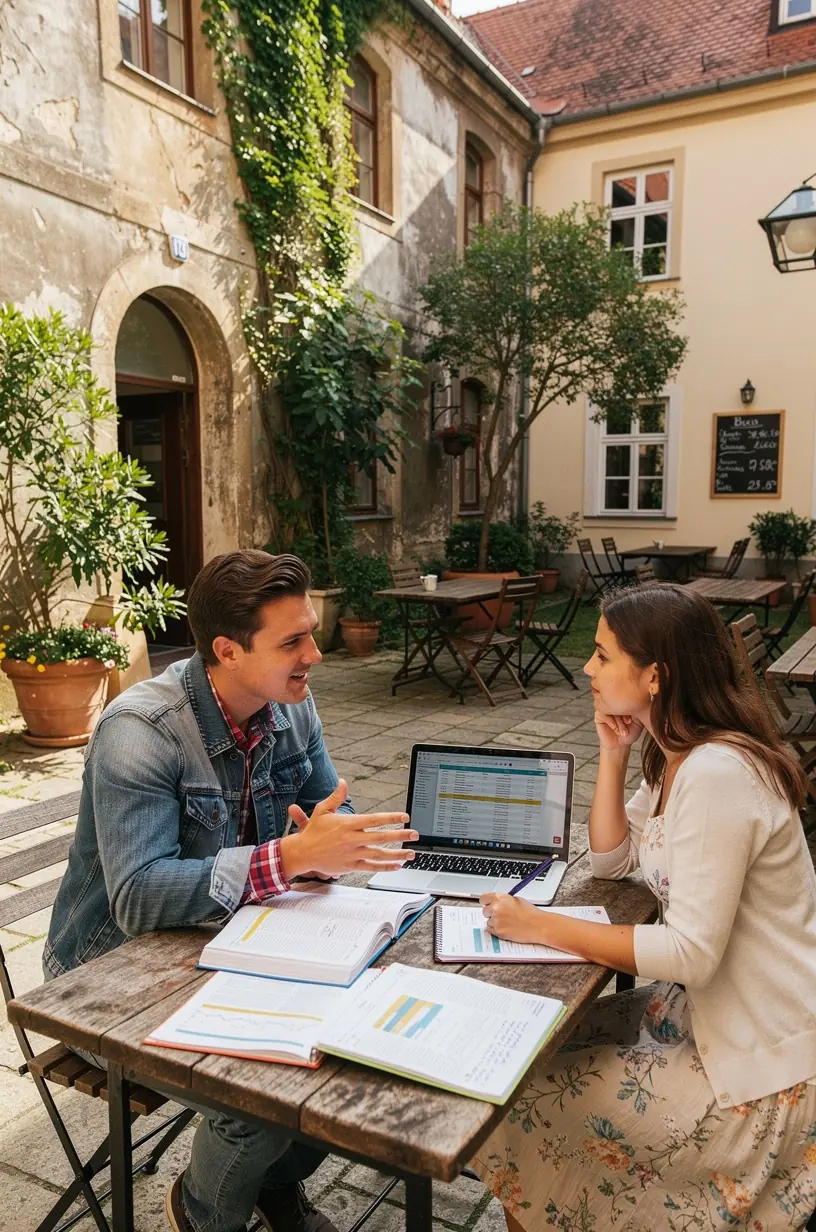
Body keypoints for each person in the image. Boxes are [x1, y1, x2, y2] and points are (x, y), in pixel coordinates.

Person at [43, 550, 418, 1232]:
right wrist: (287, 858)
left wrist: (330, 844)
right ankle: (204, 1210)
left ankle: (271, 1189)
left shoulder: (289, 706)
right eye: (292, 641)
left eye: (311, 631)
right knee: (254, 1108)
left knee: (344, 1060)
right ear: (227, 650)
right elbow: (138, 897)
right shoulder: (141, 732)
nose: (317, 654)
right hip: (105, 976)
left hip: (234, 944)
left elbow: (322, 808)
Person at [474, 582, 816, 1230]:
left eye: (603, 655)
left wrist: (542, 925)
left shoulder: (718, 773)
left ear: (655, 675)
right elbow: (611, 860)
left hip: (759, 1067)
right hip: (710, 1020)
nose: (587, 668)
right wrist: (614, 751)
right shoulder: (680, 756)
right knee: (527, 1060)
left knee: (517, 1104)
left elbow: (692, 953)